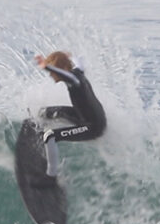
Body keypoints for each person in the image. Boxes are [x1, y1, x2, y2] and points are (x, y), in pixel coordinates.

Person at [35, 51, 107, 179]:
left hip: (93, 126)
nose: (51, 75)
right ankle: (37, 133)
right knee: (44, 112)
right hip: (84, 114)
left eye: (53, 72)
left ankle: (51, 176)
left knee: (50, 135)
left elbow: (67, 76)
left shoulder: (73, 80)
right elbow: (80, 62)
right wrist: (70, 57)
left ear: (60, 70)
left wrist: (46, 66)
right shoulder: (78, 72)